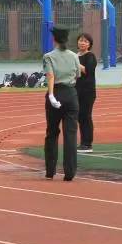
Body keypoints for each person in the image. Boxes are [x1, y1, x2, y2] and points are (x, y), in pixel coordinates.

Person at [43, 25, 81, 181]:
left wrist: (51, 96)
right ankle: (70, 172)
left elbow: (50, 76)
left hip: (56, 92)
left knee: (52, 133)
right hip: (71, 94)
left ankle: (50, 171)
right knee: (70, 135)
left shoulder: (48, 56)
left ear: (54, 40)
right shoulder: (74, 56)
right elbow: (78, 74)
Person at [75, 33, 97, 153]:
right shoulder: (75, 56)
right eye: (81, 40)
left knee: (85, 116)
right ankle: (82, 142)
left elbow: (86, 70)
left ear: (89, 44)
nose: (82, 43)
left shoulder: (90, 56)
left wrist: (74, 62)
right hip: (76, 90)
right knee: (79, 117)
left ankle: (87, 144)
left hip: (87, 91)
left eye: (85, 41)